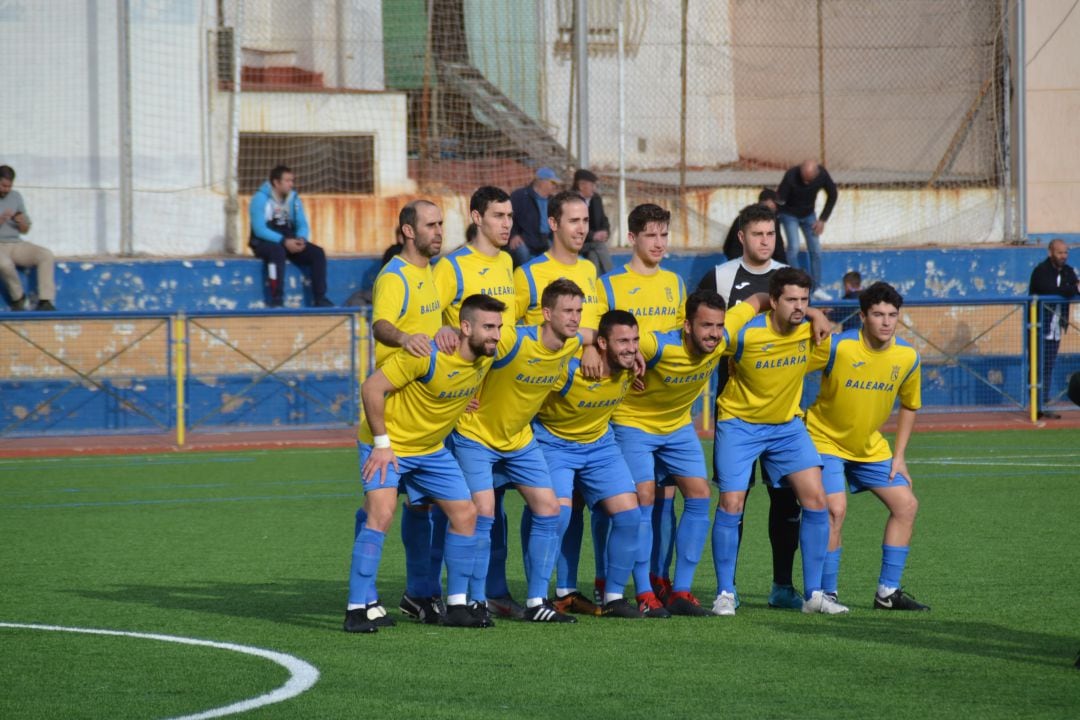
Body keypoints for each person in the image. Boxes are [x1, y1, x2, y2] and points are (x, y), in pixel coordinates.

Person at [345, 293, 506, 633]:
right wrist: (383, 444)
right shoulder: (427, 354)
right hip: (389, 446)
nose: (495, 334)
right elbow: (372, 388)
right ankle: (357, 608)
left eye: (499, 327)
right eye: (488, 327)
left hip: (431, 451)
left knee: (466, 514)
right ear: (466, 327)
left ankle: (458, 605)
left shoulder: (485, 358)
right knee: (381, 514)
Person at [610, 288, 764, 616]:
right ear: (687, 325)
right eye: (706, 325)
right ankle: (644, 593)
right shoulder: (657, 345)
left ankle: (681, 591)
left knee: (699, 494)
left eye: (719, 325)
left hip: (678, 427)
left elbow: (760, 299)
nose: (714, 333)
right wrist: (610, 356)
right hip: (634, 423)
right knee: (645, 497)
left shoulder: (721, 340)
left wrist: (814, 314)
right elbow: (615, 341)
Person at [448, 278, 586, 624]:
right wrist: (461, 390)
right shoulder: (514, 339)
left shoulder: (570, 345)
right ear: (546, 313)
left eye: (579, 311)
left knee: (550, 509)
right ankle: (476, 600)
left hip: (520, 440)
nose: (574, 318)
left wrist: (598, 346)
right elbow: (471, 341)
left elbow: (594, 334)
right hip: (476, 435)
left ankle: (537, 600)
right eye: (567, 311)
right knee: (484, 514)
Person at [710, 267, 845, 616]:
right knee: (731, 503)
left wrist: (815, 315)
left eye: (805, 300)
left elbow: (818, 357)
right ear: (773, 301)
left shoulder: (812, 334)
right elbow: (715, 335)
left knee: (816, 499)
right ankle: (725, 592)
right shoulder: (744, 334)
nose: (799, 307)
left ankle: (814, 595)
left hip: (786, 426)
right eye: (792, 300)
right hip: (739, 425)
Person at [699, 203, 804, 611]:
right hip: (737, 414)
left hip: (780, 415)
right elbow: (706, 330)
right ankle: (728, 590)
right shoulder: (721, 277)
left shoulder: (786, 277)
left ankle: (783, 585)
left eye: (771, 234)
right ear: (742, 236)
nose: (766, 241)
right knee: (733, 499)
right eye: (758, 234)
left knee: (786, 500)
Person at [806, 281, 929, 611]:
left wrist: (899, 456)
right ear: (862, 316)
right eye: (878, 314)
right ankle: (826, 594)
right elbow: (793, 369)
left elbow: (910, 405)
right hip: (824, 439)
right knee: (835, 510)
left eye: (892, 315)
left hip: (870, 447)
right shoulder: (838, 347)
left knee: (906, 506)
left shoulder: (907, 357)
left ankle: (887, 593)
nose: (886, 322)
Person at [596, 203, 685, 607]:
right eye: (651, 235)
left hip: (667, 411)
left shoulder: (675, 284)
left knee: (665, 500)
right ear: (632, 238)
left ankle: (656, 576)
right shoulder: (609, 284)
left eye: (664, 234)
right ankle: (606, 577)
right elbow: (598, 342)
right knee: (622, 499)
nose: (659, 243)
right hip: (625, 411)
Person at [371, 199, 455, 624]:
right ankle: (363, 597)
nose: (439, 231)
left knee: (428, 507)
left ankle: (421, 593)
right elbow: (380, 325)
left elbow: (439, 328)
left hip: (428, 412)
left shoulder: (433, 275)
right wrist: (404, 338)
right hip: (394, 409)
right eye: (431, 225)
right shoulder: (394, 276)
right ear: (407, 230)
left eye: (441, 224)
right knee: (378, 511)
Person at [534, 310, 644, 618]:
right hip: (554, 444)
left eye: (635, 340)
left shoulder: (629, 366)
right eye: (623, 341)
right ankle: (539, 598)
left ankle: (613, 597)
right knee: (558, 515)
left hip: (600, 446)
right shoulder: (570, 370)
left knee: (629, 515)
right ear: (602, 343)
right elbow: (528, 378)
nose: (631, 347)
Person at [248, 165, 333, 308]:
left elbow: (302, 224)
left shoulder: (293, 199)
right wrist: (283, 241)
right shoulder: (260, 199)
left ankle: (320, 298)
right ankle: (277, 300)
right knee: (277, 252)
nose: (291, 184)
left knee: (317, 253)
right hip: (264, 242)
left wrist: (301, 239)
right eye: (287, 181)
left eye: (292, 181)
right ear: (276, 182)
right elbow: (259, 229)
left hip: (288, 240)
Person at [1028, 239, 1078, 419]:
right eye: (1060, 253)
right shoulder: (1041, 271)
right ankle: (1035, 405)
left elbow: (1075, 288)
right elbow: (1048, 289)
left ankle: (1043, 402)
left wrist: (1068, 288)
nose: (1063, 256)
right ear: (1051, 253)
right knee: (1037, 365)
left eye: (1065, 252)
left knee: (1048, 366)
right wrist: (1068, 289)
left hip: (1056, 328)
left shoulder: (1068, 271)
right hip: (1039, 326)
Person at [777, 160, 838, 300]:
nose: (805, 182)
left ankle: (817, 288)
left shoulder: (822, 175)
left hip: (809, 215)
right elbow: (780, 199)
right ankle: (799, 284)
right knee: (793, 247)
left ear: (816, 175)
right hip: (789, 214)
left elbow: (833, 194)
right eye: (803, 178)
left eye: (809, 180)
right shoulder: (791, 175)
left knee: (816, 250)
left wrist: (822, 219)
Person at [0, 166, 55, 311]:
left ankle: (45, 300)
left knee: (45, 255)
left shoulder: (16, 196)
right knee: (4, 264)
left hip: (16, 243)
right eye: (3, 186)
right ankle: (18, 298)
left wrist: (21, 222)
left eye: (9, 186)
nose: (6, 189)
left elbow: (25, 230)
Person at [508, 167, 560, 267]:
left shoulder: (553, 201)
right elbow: (508, 218)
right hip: (525, 239)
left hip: (546, 239)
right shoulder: (519, 196)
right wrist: (513, 235)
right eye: (552, 183)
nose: (555, 186)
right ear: (542, 182)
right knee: (522, 251)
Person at [722, 190, 787, 264]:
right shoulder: (745, 220)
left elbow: (778, 248)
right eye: (775, 203)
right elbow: (731, 247)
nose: (776, 207)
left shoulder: (773, 220)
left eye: (769, 234)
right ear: (765, 202)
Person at [572, 169, 613, 275]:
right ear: (581, 186)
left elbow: (604, 219)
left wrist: (605, 231)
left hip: (590, 243)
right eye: (592, 185)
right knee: (599, 246)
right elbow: (574, 226)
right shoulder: (570, 201)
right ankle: (612, 277)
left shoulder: (596, 198)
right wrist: (593, 236)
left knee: (593, 256)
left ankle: (595, 286)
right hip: (575, 242)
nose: (594, 189)